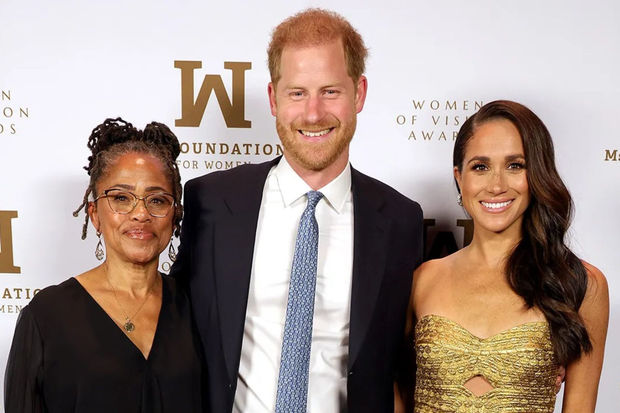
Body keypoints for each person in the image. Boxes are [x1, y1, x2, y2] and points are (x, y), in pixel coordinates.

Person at [169, 8, 424, 413]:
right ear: (274, 98)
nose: (313, 113)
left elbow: (402, 364)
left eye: (330, 91)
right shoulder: (211, 202)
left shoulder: (399, 221)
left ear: (359, 93)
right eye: (297, 93)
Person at [407, 100, 609, 412]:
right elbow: (393, 391)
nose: (497, 185)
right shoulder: (422, 279)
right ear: (460, 177)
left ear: (538, 174)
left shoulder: (580, 283)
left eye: (515, 165)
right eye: (481, 167)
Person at [4, 118, 204, 412]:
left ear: (175, 216)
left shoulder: (198, 308)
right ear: (95, 214)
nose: (140, 213)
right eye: (121, 198)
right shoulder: (47, 316)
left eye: (157, 200)